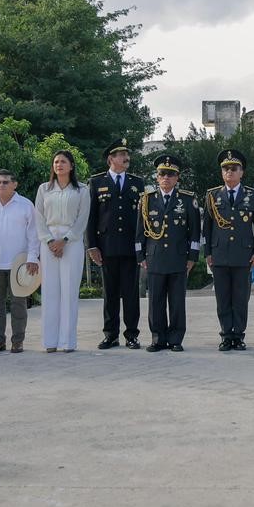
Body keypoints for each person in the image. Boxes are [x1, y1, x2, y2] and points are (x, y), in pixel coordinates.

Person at [202, 148, 254, 351]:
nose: (230, 172)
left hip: (243, 255)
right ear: (222, 173)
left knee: (240, 299)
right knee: (222, 299)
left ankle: (238, 335)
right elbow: (207, 227)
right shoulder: (212, 196)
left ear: (241, 172)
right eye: (226, 169)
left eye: (234, 168)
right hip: (219, 255)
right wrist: (208, 253)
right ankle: (226, 335)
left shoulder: (252, 196)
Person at [86, 139, 146, 350]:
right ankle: (110, 334)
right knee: (110, 293)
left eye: (127, 154)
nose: (126, 157)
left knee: (131, 293)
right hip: (106, 247)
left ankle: (132, 335)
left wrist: (142, 248)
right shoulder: (96, 182)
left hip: (130, 247)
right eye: (121, 154)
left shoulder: (136, 182)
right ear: (111, 159)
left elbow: (143, 218)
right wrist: (91, 246)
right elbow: (91, 217)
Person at [137, 153, 201, 351]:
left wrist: (192, 258)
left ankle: (175, 339)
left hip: (178, 259)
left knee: (176, 302)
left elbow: (195, 233)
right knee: (155, 302)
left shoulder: (187, 200)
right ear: (157, 177)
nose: (166, 177)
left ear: (177, 177)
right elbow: (139, 233)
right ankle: (158, 338)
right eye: (162, 174)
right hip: (154, 258)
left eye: (171, 174)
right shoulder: (146, 201)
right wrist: (140, 257)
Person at [0, 169, 41, 354]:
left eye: (5, 182)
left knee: (18, 303)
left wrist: (32, 258)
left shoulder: (26, 205)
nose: (1, 185)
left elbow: (33, 235)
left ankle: (17, 341)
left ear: (15, 184)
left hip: (18, 265)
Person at [35, 150, 90, 353]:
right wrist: (50, 241)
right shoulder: (44, 189)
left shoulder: (82, 190)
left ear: (71, 166)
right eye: (56, 161)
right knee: (50, 291)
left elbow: (82, 218)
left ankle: (67, 342)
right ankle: (50, 341)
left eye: (63, 161)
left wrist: (65, 240)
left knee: (69, 291)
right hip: (48, 241)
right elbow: (38, 217)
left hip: (71, 242)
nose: (59, 165)